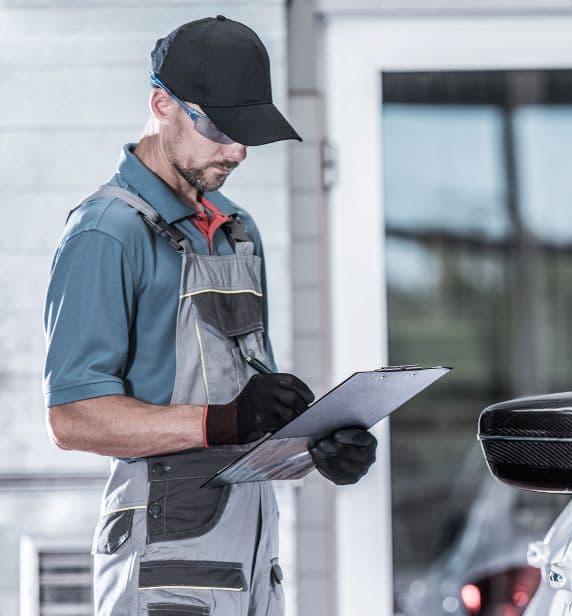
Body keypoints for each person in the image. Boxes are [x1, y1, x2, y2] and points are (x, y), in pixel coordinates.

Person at [42, 16, 376, 616]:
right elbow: (72, 418)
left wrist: (313, 450)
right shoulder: (105, 233)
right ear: (161, 104)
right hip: (162, 565)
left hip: (250, 559)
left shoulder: (236, 232)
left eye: (247, 131)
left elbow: (246, 419)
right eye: (221, 129)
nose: (239, 151)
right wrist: (224, 421)